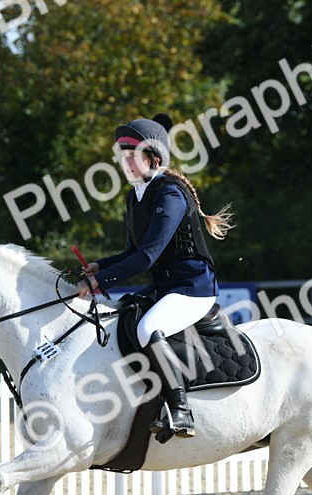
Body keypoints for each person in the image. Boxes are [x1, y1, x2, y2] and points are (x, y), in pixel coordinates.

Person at [75, 114, 233, 440]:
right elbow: (132, 251)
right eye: (122, 156)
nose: (125, 162)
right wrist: (100, 267)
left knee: (148, 327)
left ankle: (181, 411)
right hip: (165, 287)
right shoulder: (135, 197)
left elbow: (148, 256)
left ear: (154, 158)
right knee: (124, 321)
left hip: (193, 288)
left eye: (132, 155)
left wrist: (99, 283)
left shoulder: (170, 194)